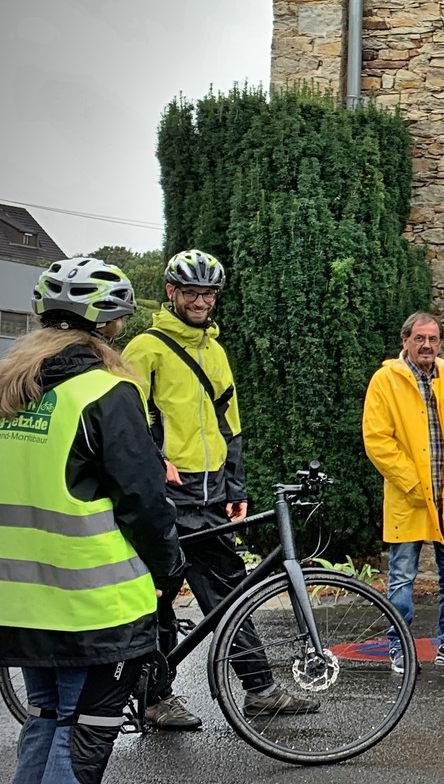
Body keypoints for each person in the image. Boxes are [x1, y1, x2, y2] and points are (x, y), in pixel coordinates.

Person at [0, 257, 183, 784]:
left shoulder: (12, 389)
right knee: (82, 740)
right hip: (93, 604)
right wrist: (168, 571)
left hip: (21, 599)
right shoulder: (105, 390)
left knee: (44, 730)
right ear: (110, 325)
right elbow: (144, 500)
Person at [121, 250, 316, 728]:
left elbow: (230, 423)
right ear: (172, 292)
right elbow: (125, 423)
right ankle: (166, 696)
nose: (201, 300)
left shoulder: (215, 350)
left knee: (213, 592)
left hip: (210, 493)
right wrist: (155, 463)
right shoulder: (146, 349)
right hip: (170, 494)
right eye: (192, 292)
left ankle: (243, 690)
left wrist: (236, 484)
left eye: (209, 293)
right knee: (178, 593)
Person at [362, 312, 444, 670]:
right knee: (402, 578)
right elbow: (377, 439)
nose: (427, 345)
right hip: (409, 498)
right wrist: (412, 483)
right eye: (420, 338)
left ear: (440, 343)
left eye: (433, 339)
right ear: (405, 341)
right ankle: (400, 645)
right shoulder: (386, 380)